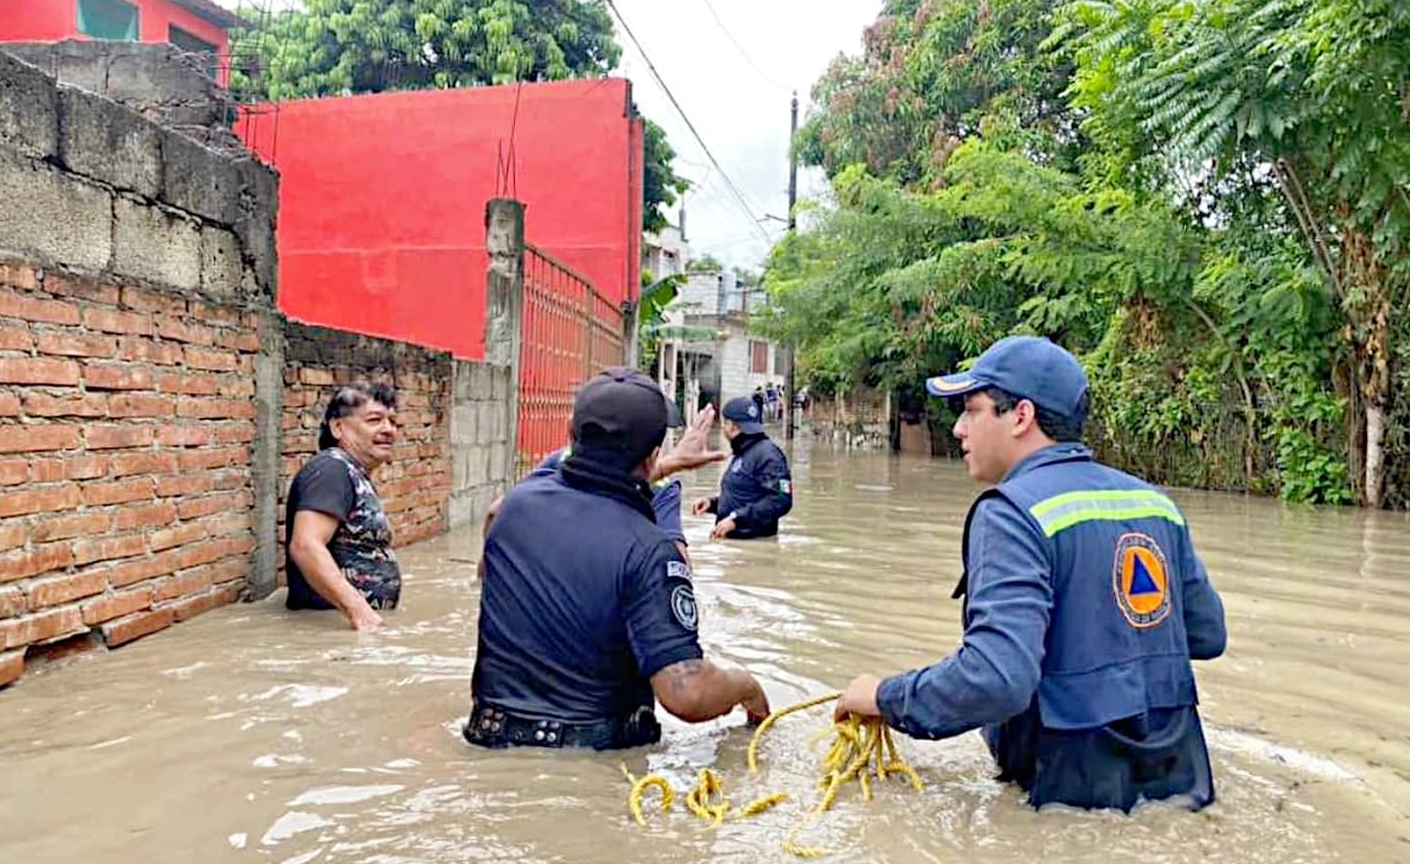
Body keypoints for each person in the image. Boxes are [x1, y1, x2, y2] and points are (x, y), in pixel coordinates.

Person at [834, 336, 1227, 812]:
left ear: (1021, 416)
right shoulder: (1154, 503)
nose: (958, 429)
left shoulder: (1011, 513)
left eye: (972, 411)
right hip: (1183, 776)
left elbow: (996, 678)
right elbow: (1206, 635)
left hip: (1073, 792)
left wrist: (884, 697)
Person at [465, 367, 771, 751]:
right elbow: (687, 695)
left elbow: (495, 518)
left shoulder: (512, 509)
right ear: (653, 456)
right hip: (592, 760)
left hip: (484, 738)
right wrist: (746, 686)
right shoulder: (650, 549)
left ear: (570, 433)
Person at [476, 398, 724, 579]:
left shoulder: (561, 460)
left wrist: (487, 578)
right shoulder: (663, 488)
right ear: (654, 451)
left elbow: (496, 512)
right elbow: (679, 562)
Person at [285, 381, 403, 631]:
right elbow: (305, 545)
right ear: (338, 427)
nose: (389, 429)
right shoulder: (333, 469)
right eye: (374, 420)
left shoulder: (351, 472)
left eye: (393, 422)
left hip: (345, 629)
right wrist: (360, 612)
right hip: (329, 629)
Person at [692, 398, 794, 539]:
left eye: (724, 423)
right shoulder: (743, 452)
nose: (723, 428)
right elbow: (743, 496)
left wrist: (737, 520)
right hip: (731, 544)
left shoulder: (769, 455)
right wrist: (712, 504)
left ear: (731, 426)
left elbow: (781, 500)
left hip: (756, 544)